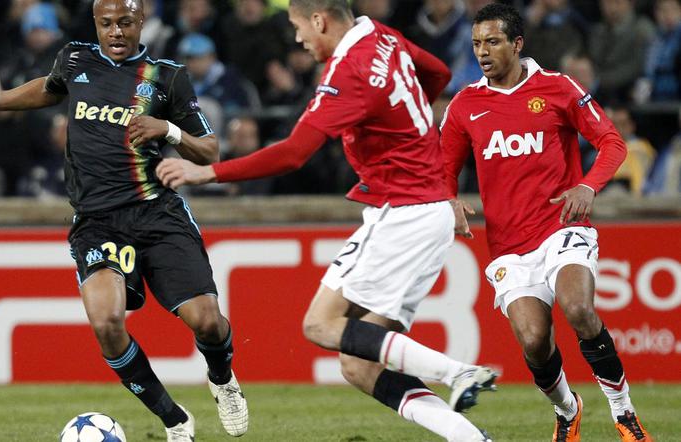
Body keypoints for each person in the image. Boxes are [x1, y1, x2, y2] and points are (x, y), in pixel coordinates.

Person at [157, 1, 497, 441]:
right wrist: (399, 121)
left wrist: (208, 172)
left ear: (319, 20)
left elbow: (294, 152)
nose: (298, 38)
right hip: (429, 211)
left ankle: (459, 372)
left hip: (402, 212)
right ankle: (469, 437)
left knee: (319, 324)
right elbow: (436, 74)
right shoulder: (383, 35)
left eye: (298, 27)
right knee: (358, 362)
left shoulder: (346, 71)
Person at [0, 0, 247, 440]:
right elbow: (47, 88)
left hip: (156, 212)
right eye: (106, 23)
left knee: (207, 321)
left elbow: (209, 150)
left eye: (125, 23)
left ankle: (222, 377)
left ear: (141, 24)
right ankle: (173, 419)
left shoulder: (166, 76)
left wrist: (167, 131)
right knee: (106, 323)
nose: (115, 32)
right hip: (97, 219)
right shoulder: (75, 58)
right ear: (96, 24)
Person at [440, 4, 652, 442]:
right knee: (534, 340)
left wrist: (588, 186)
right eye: (477, 43)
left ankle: (624, 413)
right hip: (509, 245)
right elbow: (441, 167)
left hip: (563, 228)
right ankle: (567, 410)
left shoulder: (557, 88)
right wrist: (449, 201)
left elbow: (611, 142)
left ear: (517, 44)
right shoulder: (465, 105)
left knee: (578, 308)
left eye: (493, 42)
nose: (482, 51)